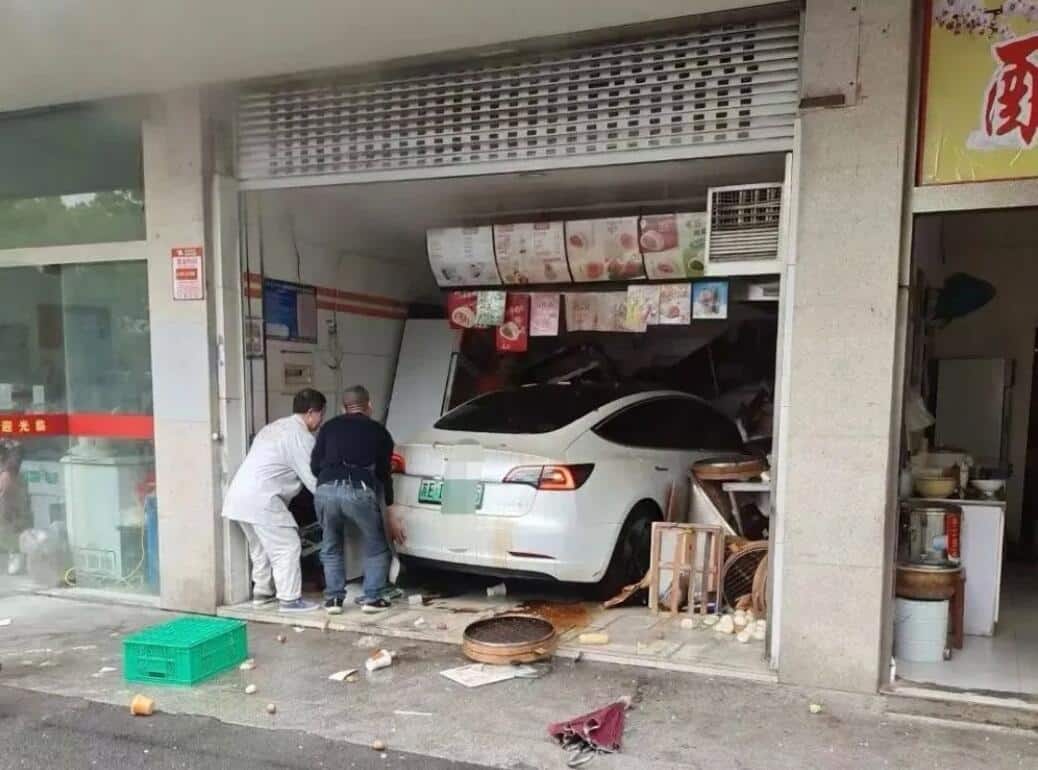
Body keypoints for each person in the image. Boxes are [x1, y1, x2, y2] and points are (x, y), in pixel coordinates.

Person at [222, 389, 327, 613]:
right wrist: (333, 499)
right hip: (262, 499)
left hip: (239, 497)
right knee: (287, 546)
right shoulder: (300, 436)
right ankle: (290, 600)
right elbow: (313, 480)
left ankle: (262, 592)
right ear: (311, 413)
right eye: (321, 415)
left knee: (260, 548)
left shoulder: (274, 427)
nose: (320, 421)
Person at [311, 385, 404, 614]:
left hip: (325, 489)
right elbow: (384, 474)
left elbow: (314, 465)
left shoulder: (329, 427)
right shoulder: (379, 431)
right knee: (376, 545)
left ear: (344, 407)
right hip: (358, 489)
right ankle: (372, 598)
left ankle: (333, 600)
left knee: (331, 545)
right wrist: (390, 509)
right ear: (369, 406)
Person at [0, 442, 30, 576]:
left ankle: (16, 552)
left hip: (8, 470)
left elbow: (16, 447)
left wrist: (8, 471)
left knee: (9, 510)